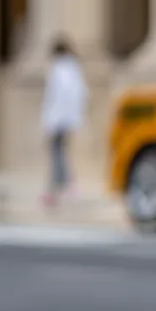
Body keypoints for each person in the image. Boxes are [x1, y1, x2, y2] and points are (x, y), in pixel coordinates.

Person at [40, 36, 88, 206]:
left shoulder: (60, 70)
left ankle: (59, 188)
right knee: (60, 153)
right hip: (66, 120)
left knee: (57, 155)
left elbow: (56, 98)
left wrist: (51, 121)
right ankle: (60, 188)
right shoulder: (73, 69)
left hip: (58, 120)